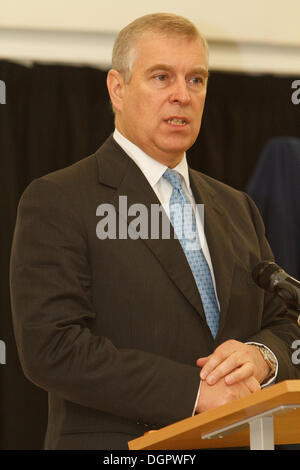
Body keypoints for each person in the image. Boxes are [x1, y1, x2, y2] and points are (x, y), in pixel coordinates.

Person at [10, 13, 299, 450]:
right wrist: (196, 392)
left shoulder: (238, 208)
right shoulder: (59, 199)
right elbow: (52, 347)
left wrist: (261, 358)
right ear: (117, 89)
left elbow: (283, 325)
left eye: (196, 80)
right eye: (162, 77)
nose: (182, 96)